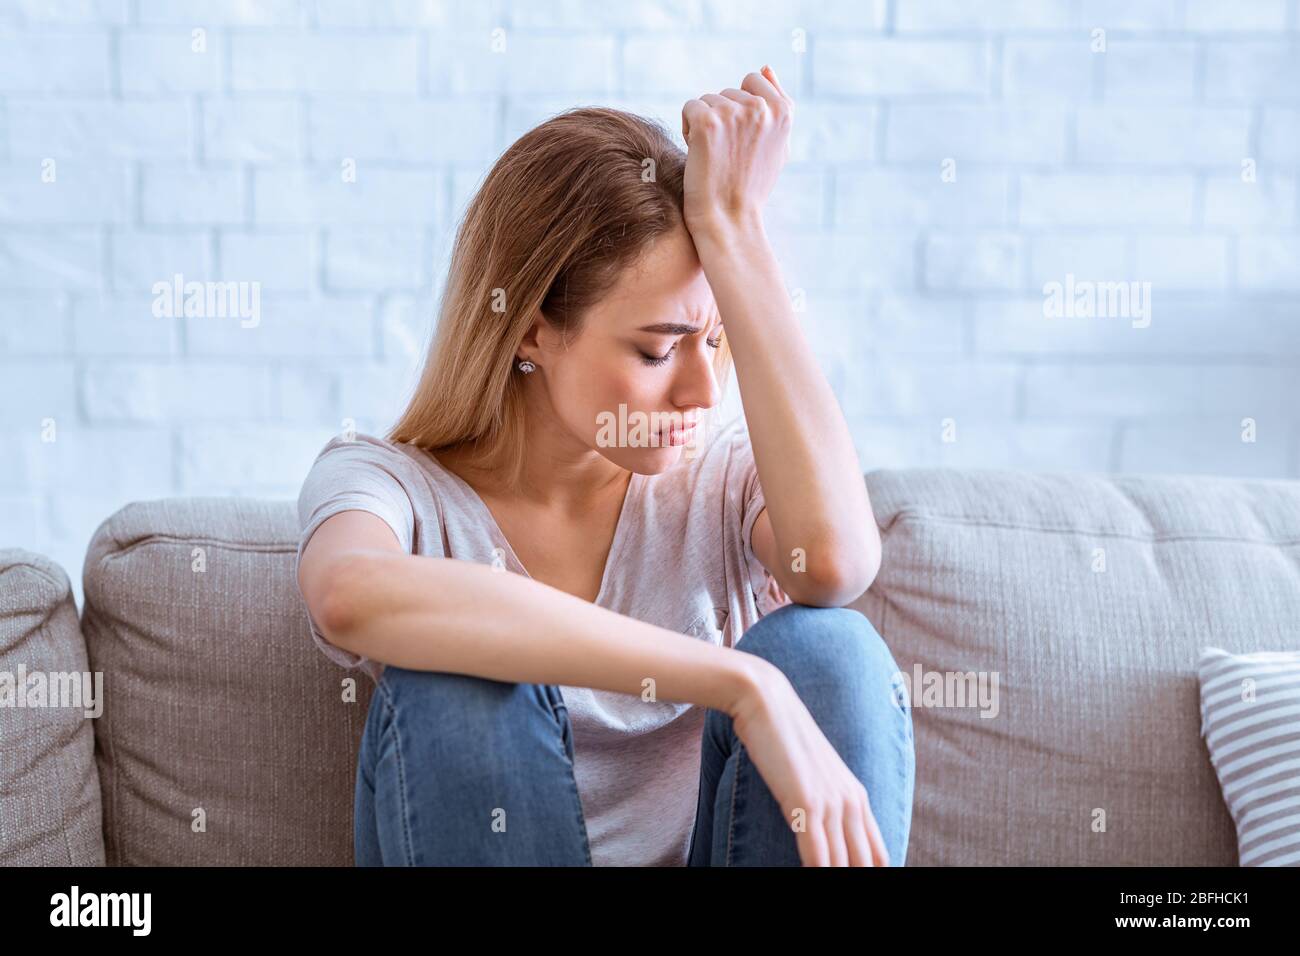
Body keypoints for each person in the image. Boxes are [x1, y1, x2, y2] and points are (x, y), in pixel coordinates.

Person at [295, 65, 914, 867]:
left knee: (829, 652)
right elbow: (348, 596)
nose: (700, 388)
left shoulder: (722, 480)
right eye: (657, 349)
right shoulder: (387, 484)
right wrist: (738, 683)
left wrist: (737, 230)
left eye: (718, 341)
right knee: (456, 680)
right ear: (530, 331)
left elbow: (835, 565)